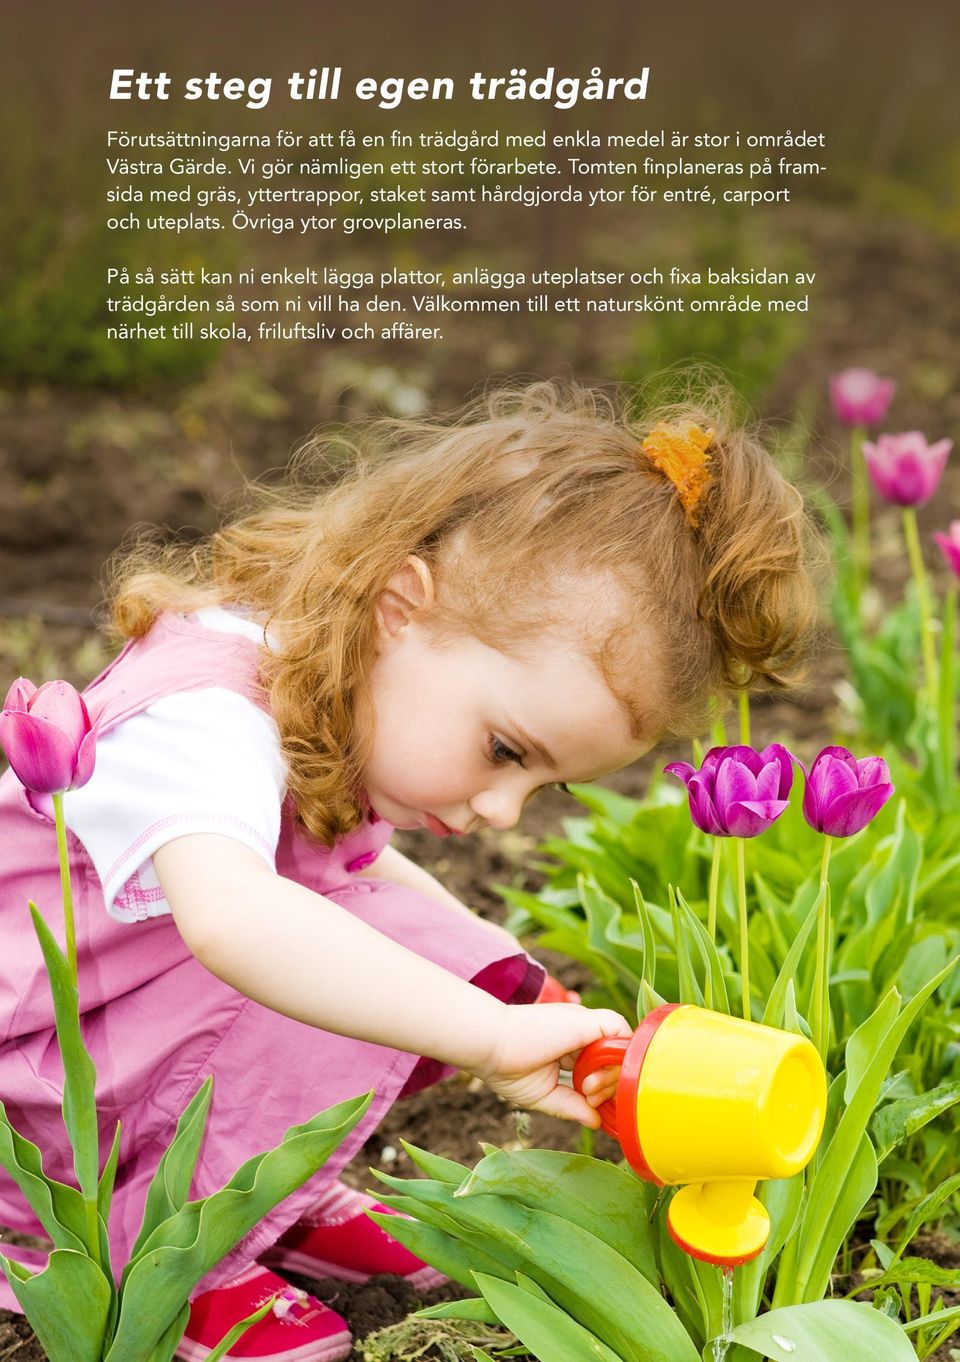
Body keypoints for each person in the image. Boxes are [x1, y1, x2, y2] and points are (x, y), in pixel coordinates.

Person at [0, 378, 818, 1361]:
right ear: (399, 605)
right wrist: (485, 1030)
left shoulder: (326, 700)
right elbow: (235, 921)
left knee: (427, 953)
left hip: (112, 1035)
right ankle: (152, 1248)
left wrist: (505, 979)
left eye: (544, 787)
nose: (500, 810)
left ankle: (260, 1197)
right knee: (347, 955)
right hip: (33, 1075)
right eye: (510, 751)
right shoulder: (201, 717)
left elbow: (369, 882)